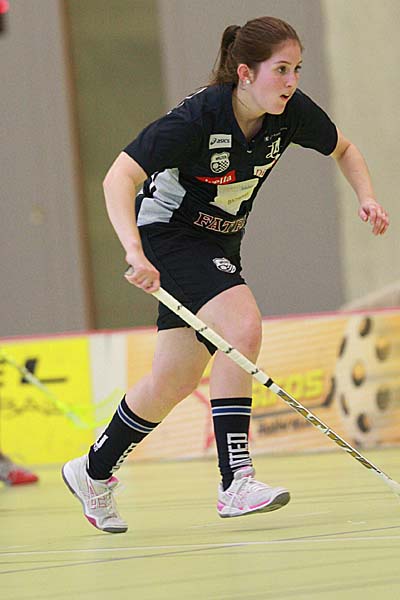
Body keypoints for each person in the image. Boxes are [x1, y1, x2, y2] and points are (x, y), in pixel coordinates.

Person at [62, 16, 389, 533]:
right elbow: (118, 176)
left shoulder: (289, 114)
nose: (291, 82)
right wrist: (133, 251)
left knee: (174, 378)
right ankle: (235, 480)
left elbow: (344, 149)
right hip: (168, 233)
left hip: (219, 243)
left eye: (297, 70)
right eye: (281, 70)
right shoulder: (197, 118)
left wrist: (366, 197)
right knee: (241, 326)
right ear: (245, 73)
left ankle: (91, 471)